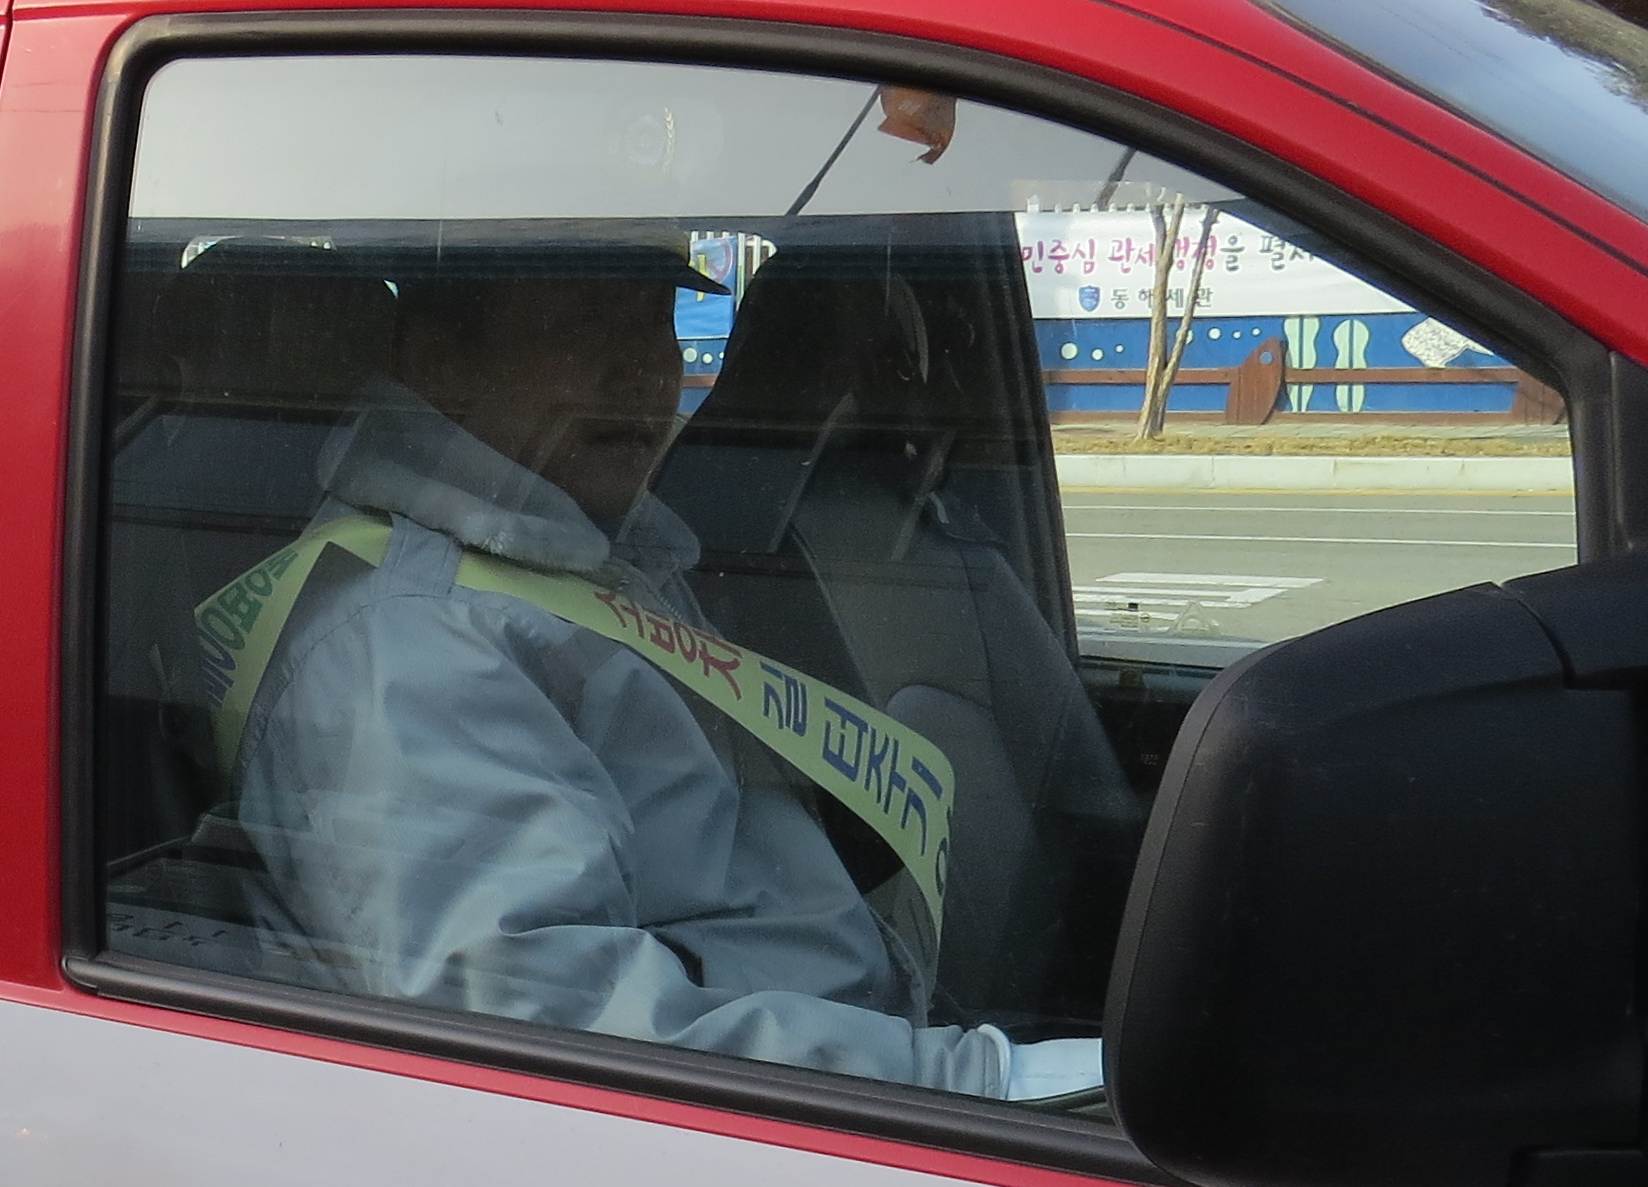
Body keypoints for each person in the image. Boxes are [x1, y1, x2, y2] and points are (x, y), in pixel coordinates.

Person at [213, 234, 1098, 1099]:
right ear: (442, 364)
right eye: (586, 325)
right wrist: (973, 1083)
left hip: (837, 1054)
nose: (640, 371)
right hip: (811, 1109)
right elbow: (547, 1021)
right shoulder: (414, 643)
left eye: (655, 322)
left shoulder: (578, 556)